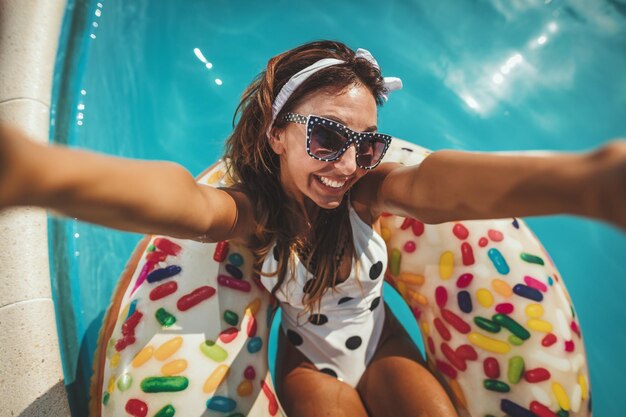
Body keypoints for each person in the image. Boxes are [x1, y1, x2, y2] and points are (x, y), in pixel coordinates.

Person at [0, 40, 625, 417]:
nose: (346, 164)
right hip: (312, 366)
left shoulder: (368, 194)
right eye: (326, 136)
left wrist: (585, 182)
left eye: (368, 143)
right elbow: (183, 203)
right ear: (277, 133)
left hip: (384, 343)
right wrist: (43, 173)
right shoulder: (256, 214)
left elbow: (438, 187)